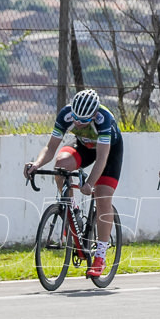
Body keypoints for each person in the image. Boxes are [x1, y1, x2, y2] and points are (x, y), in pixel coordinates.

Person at [24, 88, 123, 278]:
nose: (78, 122)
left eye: (84, 120)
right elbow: (51, 147)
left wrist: (90, 183)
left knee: (102, 196)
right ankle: (73, 210)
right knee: (61, 165)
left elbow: (102, 159)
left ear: (94, 114)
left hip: (109, 152)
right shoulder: (66, 114)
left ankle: (100, 256)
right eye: (76, 118)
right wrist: (36, 164)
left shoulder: (104, 119)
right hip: (84, 146)